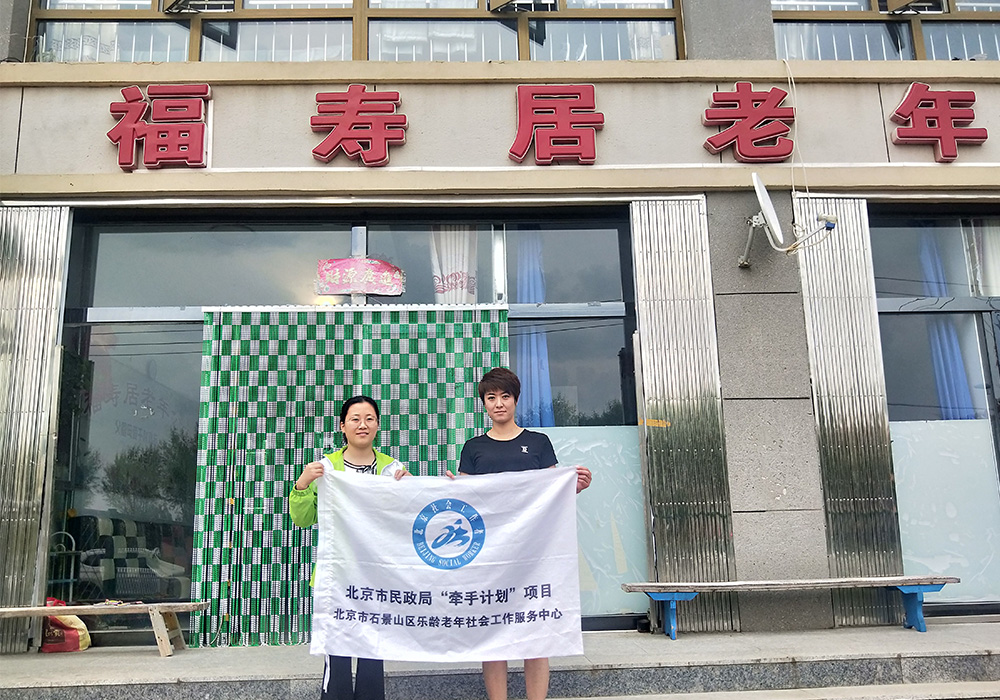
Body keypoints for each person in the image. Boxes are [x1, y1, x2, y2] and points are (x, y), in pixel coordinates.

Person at [458, 367, 592, 700]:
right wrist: (451, 489)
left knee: (536, 634)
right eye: (491, 397)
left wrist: (574, 486)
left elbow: (552, 493)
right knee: (493, 636)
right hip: (490, 555)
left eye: (505, 396)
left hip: (534, 555)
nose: (499, 404)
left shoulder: (538, 443)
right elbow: (464, 502)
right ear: (483, 403)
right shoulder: (473, 447)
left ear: (516, 400)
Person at [289, 395, 408, 700]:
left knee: (372, 656)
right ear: (342, 426)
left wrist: (410, 488)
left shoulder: (391, 469)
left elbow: (405, 520)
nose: (362, 425)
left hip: (375, 578)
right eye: (355, 419)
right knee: (338, 658)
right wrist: (302, 484)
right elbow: (303, 519)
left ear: (378, 425)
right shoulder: (326, 467)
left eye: (369, 418)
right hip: (336, 580)